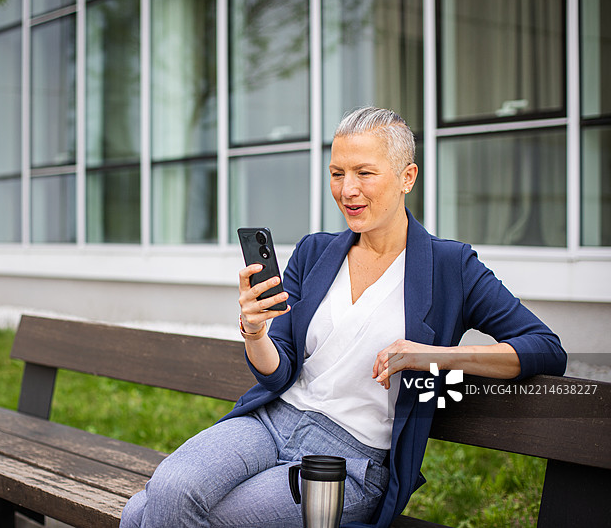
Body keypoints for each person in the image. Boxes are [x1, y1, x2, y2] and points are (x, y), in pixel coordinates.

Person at [120, 106, 566, 528]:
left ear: (407, 176)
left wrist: (436, 356)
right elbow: (280, 372)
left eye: (364, 173)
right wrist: (255, 332)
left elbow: (545, 348)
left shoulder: (453, 267)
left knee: (150, 513)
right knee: (171, 490)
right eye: (337, 174)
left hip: (350, 458)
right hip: (271, 420)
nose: (347, 190)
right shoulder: (315, 252)